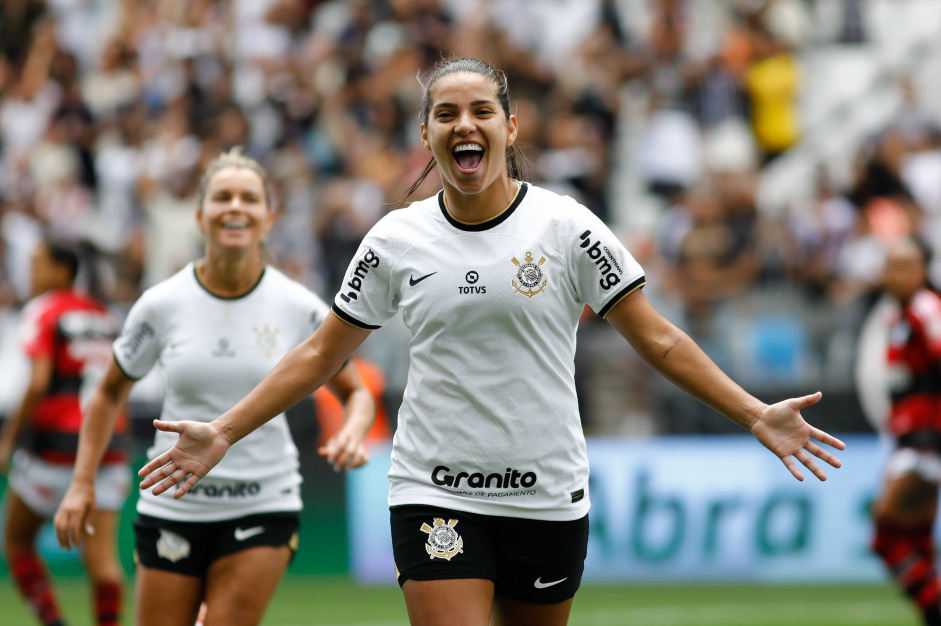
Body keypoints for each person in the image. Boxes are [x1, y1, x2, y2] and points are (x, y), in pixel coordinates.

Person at [135, 58, 845, 626]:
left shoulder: (568, 229)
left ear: (509, 126)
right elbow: (321, 353)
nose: (463, 125)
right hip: (434, 487)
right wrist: (224, 430)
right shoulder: (394, 239)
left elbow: (656, 339)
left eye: (480, 111)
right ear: (425, 135)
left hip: (545, 493)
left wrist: (753, 412)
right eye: (445, 113)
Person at [53, 148, 377, 626]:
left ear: (269, 218)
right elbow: (107, 392)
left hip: (263, 500)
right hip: (173, 505)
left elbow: (358, 392)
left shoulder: (298, 306)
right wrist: (81, 484)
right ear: (200, 216)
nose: (235, 207)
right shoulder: (160, 304)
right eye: (222, 197)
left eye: (249, 198)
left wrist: (353, 429)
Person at [0, 237, 126, 626]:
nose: (30, 271)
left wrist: (9, 439)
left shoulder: (44, 310)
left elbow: (38, 383)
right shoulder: (103, 315)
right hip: (107, 446)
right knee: (102, 559)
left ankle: (54, 621)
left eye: (38, 262)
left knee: (17, 541)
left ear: (62, 270)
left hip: (54, 446)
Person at [872, 238, 941, 626]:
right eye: (892, 266)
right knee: (915, 541)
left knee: (887, 535)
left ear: (921, 271)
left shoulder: (925, 308)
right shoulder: (896, 317)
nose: (898, 275)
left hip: (928, 442)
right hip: (910, 440)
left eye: (907, 267)